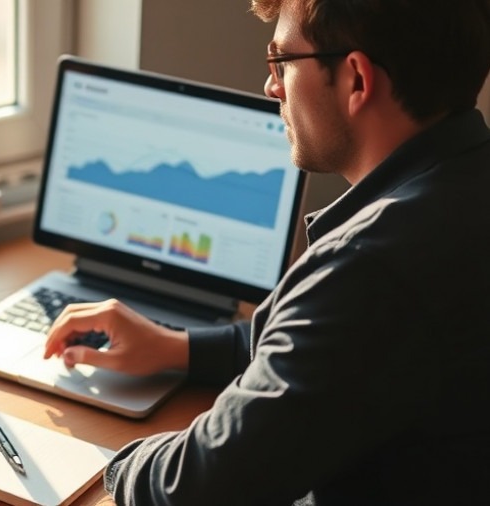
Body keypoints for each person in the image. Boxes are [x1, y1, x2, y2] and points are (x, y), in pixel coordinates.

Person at [43, 0, 490, 504]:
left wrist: (104, 463)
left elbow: (192, 489)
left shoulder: (370, 268)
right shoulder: (461, 192)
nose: (271, 87)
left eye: (281, 62)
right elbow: (321, 346)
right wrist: (177, 347)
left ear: (356, 80)